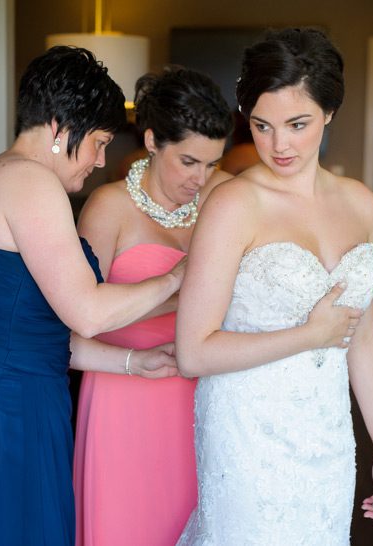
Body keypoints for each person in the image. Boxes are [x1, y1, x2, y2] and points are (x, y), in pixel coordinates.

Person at [0, 46, 186, 546]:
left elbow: (31, 335)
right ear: (58, 127)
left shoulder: (2, 175)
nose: (100, 160)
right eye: (98, 142)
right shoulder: (30, 183)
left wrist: (133, 362)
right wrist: (180, 277)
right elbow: (87, 312)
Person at [175, 28, 373, 544]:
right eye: (261, 126)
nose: (278, 145)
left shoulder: (360, 203)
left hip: (326, 437)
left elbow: (361, 335)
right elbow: (193, 352)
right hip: (248, 436)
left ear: (329, 112)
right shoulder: (233, 205)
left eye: (297, 124)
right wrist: (309, 335)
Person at [71, 67, 233, 546]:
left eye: (212, 163)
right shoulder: (108, 208)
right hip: (121, 390)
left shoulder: (223, 197)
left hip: (200, 391)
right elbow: (75, 318)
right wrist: (181, 297)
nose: (200, 178)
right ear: (151, 141)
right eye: (188, 161)